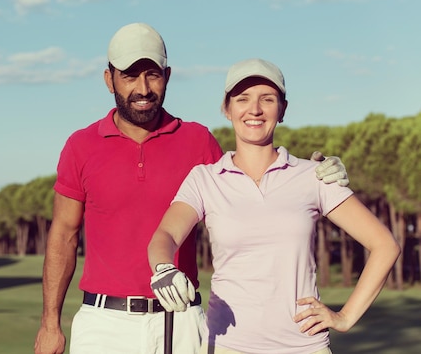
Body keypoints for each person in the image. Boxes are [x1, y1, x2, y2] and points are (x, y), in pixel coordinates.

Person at [34, 25, 349, 354]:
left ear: (167, 76)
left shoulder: (197, 141)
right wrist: (49, 324)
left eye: (153, 75)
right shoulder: (81, 146)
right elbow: (64, 235)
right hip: (104, 323)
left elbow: (253, 182)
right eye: (129, 76)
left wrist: (314, 172)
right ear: (109, 79)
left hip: (182, 321)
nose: (143, 88)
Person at [147, 58, 400, 354]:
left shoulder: (313, 175)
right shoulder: (205, 179)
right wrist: (164, 268)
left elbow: (384, 245)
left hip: (305, 347)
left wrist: (345, 317)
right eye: (242, 99)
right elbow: (165, 235)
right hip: (228, 345)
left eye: (267, 99)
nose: (254, 109)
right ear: (226, 109)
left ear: (283, 110)